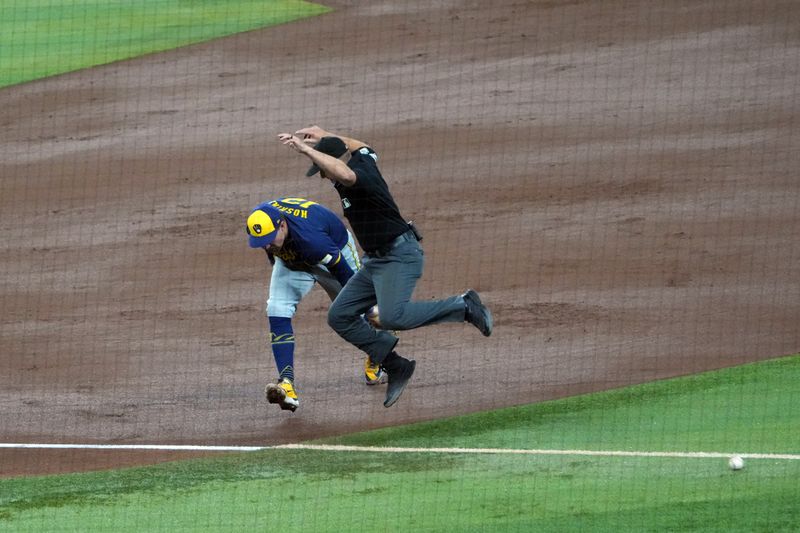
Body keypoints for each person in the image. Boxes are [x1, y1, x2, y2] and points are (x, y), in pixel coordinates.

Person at [277, 126, 493, 408]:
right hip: (375, 261)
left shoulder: (358, 177)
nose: (322, 174)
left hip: (399, 254)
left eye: (321, 167)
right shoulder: (363, 159)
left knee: (393, 316)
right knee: (339, 316)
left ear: (335, 163)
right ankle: (395, 365)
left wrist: (306, 149)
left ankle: (463, 306)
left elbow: (344, 172)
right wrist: (326, 134)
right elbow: (360, 145)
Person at [245, 196, 386, 412]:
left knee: (352, 313)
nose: (266, 244)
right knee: (276, 308)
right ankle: (287, 384)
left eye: (270, 238)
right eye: (262, 241)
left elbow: (342, 271)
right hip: (294, 260)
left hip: (335, 254)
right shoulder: (265, 224)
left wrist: (367, 308)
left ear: (282, 225)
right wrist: (275, 250)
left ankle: (379, 351)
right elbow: (270, 246)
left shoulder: (314, 242)